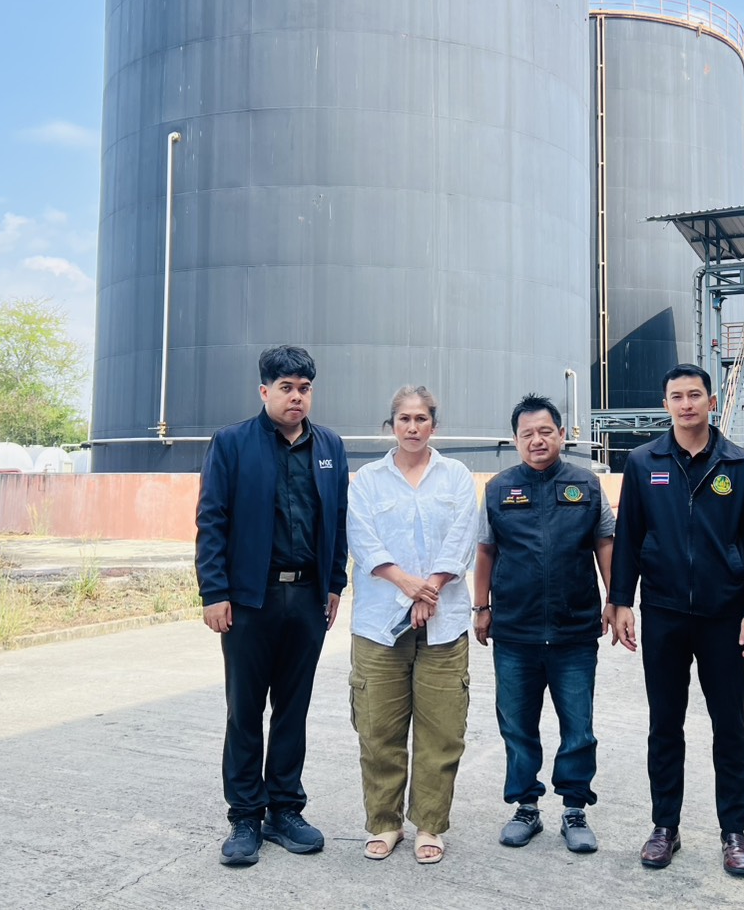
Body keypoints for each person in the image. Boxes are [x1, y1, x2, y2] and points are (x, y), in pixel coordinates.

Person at [607, 363, 744, 878]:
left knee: (730, 726)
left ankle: (734, 832)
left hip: (723, 617)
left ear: (710, 402)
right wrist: (621, 602)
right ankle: (665, 827)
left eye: (695, 395)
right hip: (662, 614)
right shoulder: (642, 463)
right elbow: (630, 537)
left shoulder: (741, 466)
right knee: (665, 724)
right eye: (676, 396)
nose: (686, 404)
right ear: (666, 404)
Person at [195, 345, 349, 867]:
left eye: (304, 388)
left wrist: (333, 584)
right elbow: (211, 521)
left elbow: (339, 521)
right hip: (248, 601)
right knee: (245, 710)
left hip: (306, 599)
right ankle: (244, 817)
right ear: (265, 391)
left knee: (293, 709)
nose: (296, 397)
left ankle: (285, 810)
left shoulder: (329, 446)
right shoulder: (233, 443)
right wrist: (213, 592)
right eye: (286, 388)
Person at [473, 393, 616, 855]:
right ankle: (526, 808)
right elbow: (486, 551)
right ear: (516, 440)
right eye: (527, 434)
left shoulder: (587, 485)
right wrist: (482, 607)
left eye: (545, 431)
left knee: (579, 727)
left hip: (575, 631)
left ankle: (575, 809)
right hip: (515, 630)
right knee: (517, 725)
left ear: (561, 434)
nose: (537, 440)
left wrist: (616, 600)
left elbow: (605, 544)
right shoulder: (498, 488)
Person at [346, 386, 479, 865]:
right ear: (392, 425)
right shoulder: (367, 481)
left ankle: (429, 825)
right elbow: (362, 538)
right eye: (404, 418)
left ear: (433, 426)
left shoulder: (457, 476)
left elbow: (464, 537)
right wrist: (408, 586)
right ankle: (384, 822)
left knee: (441, 731)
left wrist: (432, 590)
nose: (413, 426)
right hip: (380, 624)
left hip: (443, 623)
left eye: (421, 418)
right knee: (379, 728)